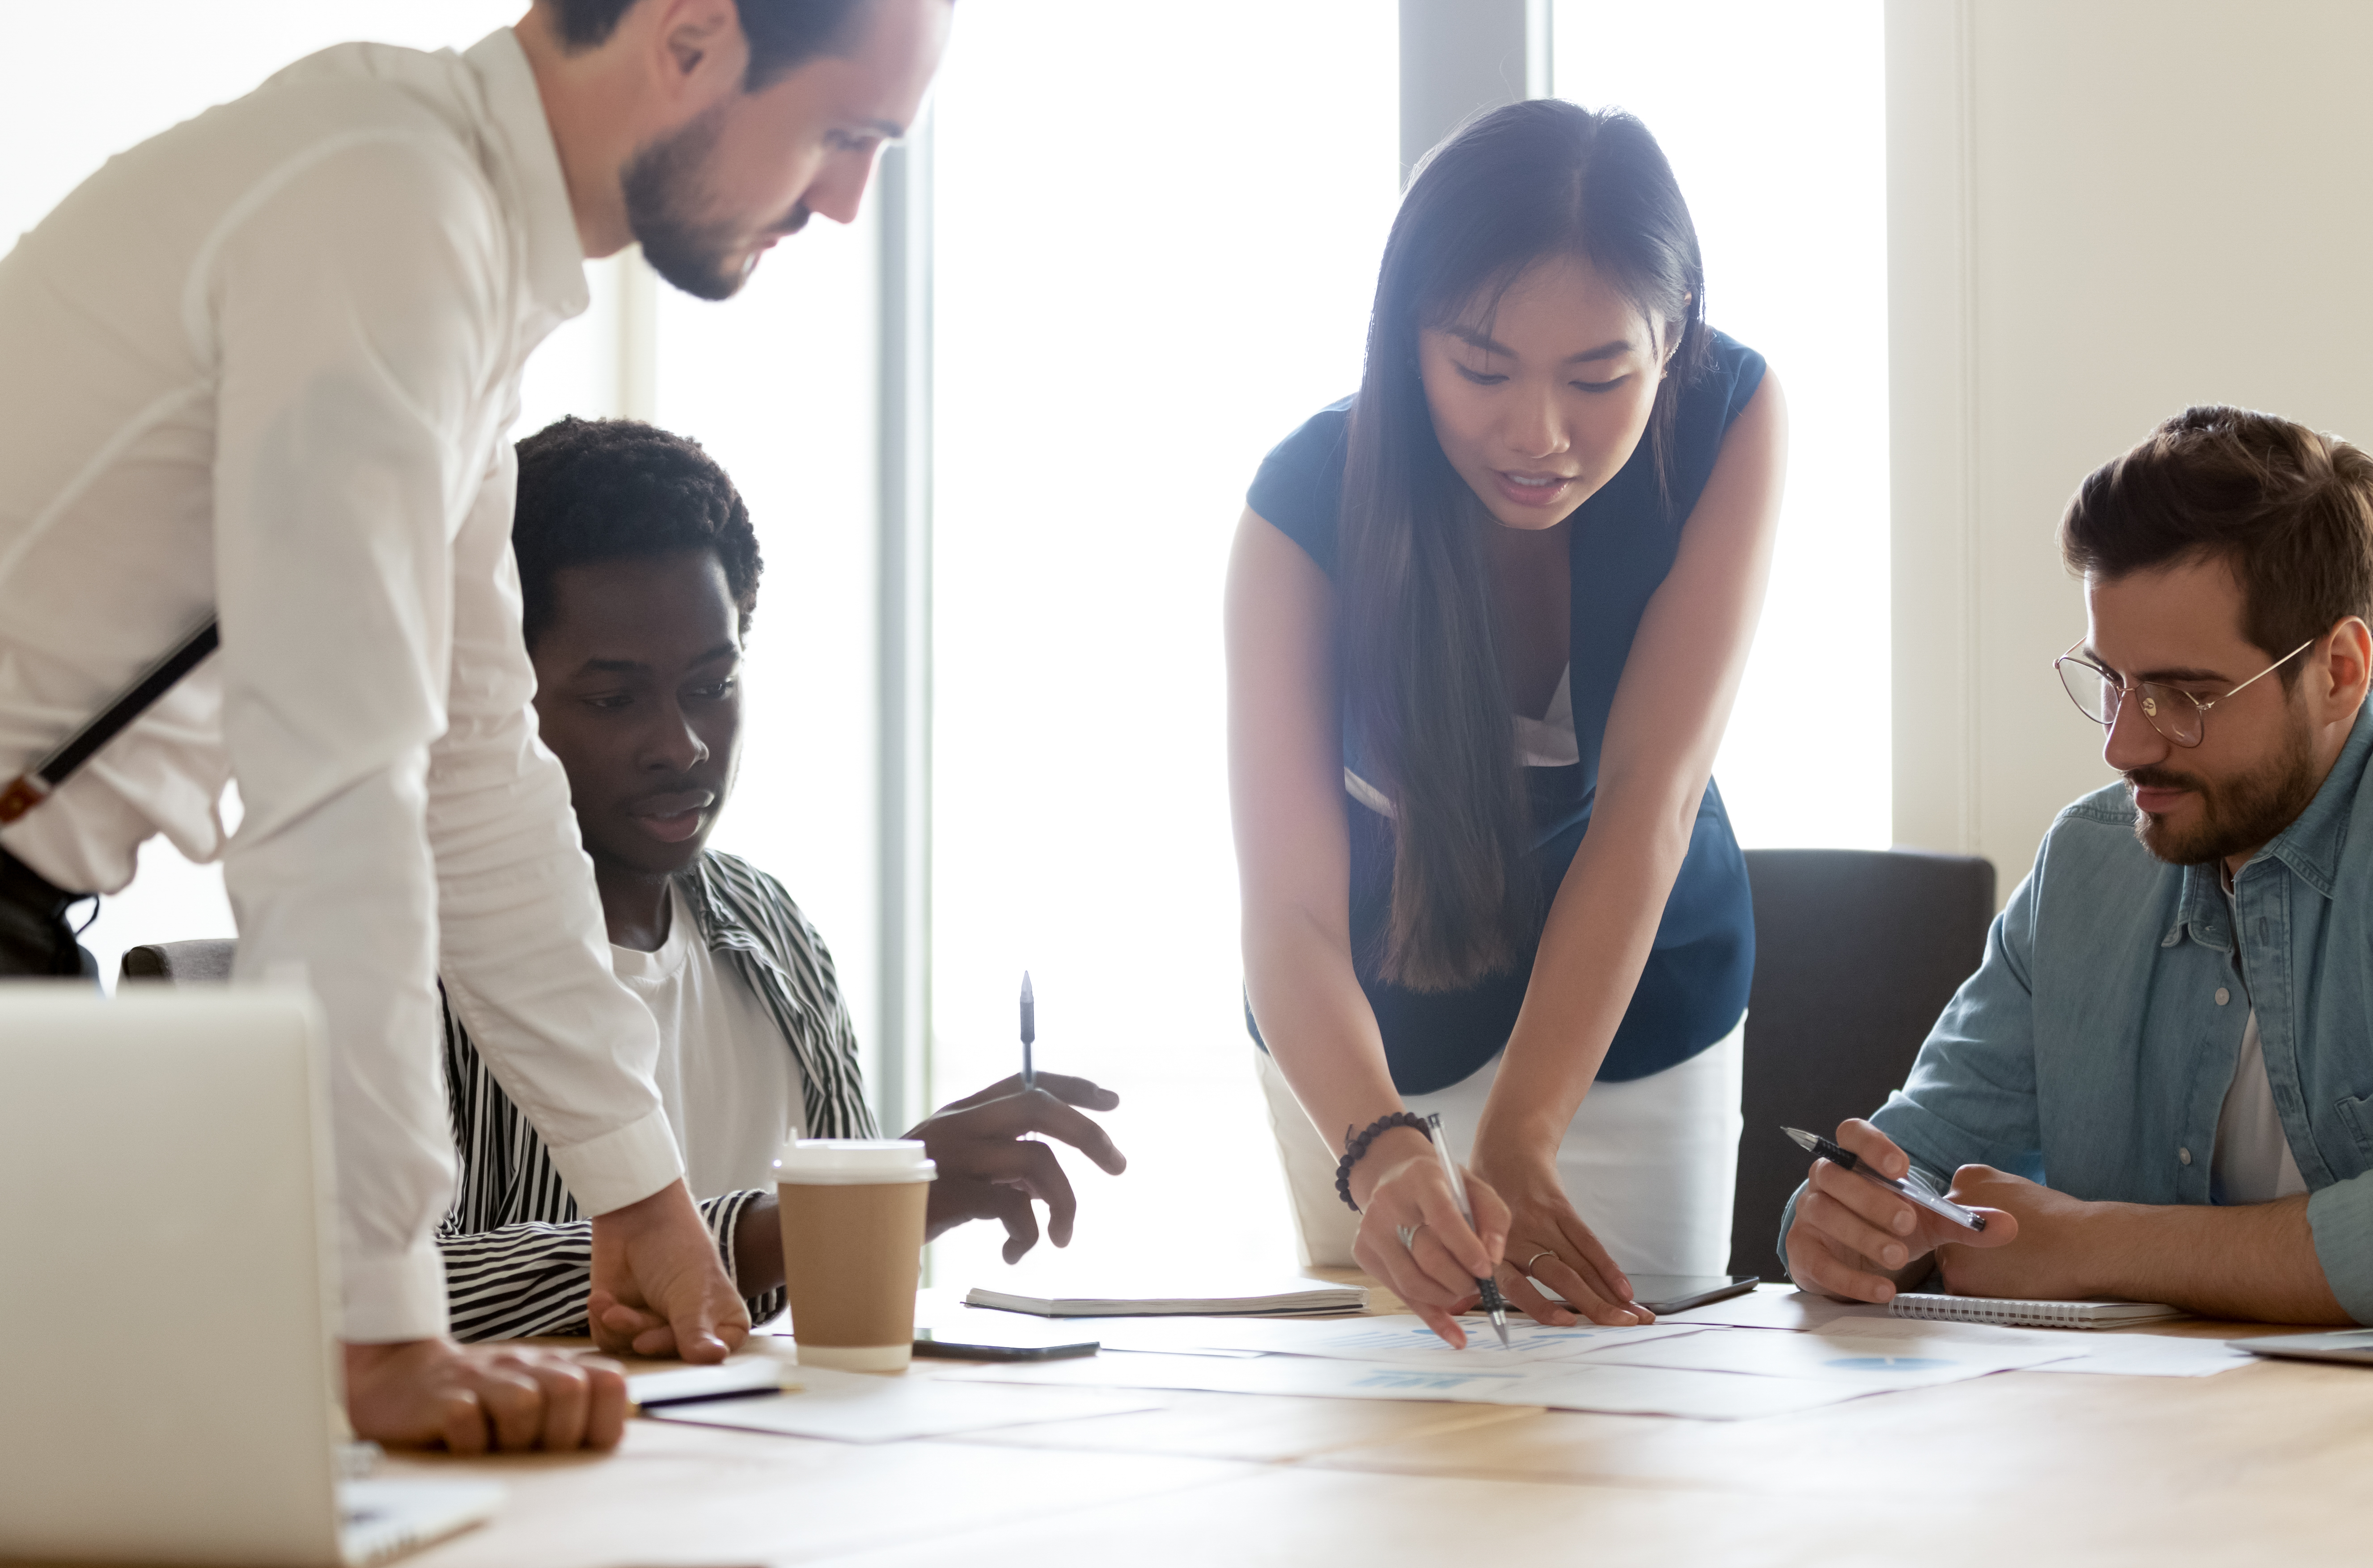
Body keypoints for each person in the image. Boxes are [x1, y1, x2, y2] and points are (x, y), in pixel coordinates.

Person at [0, 0, 951, 1452]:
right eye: (840, 131)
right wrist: (380, 1323)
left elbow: (472, 773)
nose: (842, 198)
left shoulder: (440, 231)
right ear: (690, 36)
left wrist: (636, 1191)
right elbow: (340, 801)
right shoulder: (385, 210)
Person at [1226, 100, 1787, 1347]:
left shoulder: (1730, 421)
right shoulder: (1302, 507)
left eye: (1599, 378)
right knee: (1394, 1449)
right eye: (1481, 369)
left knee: (1634, 1431)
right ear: (1407, 341)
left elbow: (1650, 799)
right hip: (1358, 1032)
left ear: (1674, 339)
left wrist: (1525, 1134)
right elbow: (1289, 911)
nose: (1539, 435)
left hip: (1631, 1013)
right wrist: (1377, 1152)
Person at [439, 417, 1126, 1340]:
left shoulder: (770, 930)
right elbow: (383, 1288)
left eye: (712, 686)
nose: (680, 743)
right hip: (538, 1477)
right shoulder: (414, 948)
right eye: (612, 698)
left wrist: (896, 1196)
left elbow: (820, 1287)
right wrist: (799, 1223)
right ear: (492, 695)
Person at [1782, 406, 2373, 1326]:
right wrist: (1844, 1225)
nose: (2122, 744)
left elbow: (2067, 1243)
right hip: (2130, 1439)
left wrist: (2096, 1243)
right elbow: (1922, 1151)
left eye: (2184, 695)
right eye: (2111, 681)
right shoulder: (2089, 862)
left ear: (2337, 670)